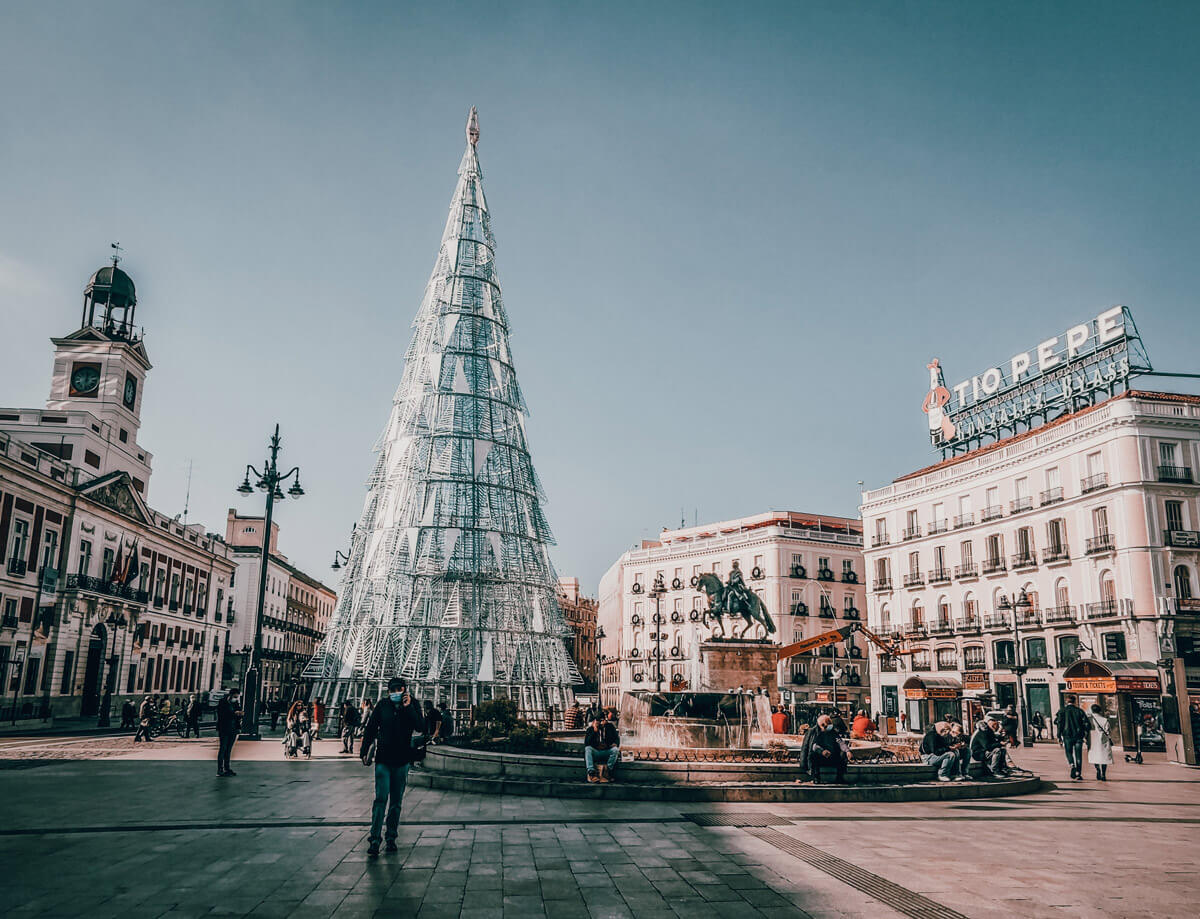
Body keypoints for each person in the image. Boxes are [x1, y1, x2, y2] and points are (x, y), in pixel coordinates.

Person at [360, 676, 424, 857]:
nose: (397, 693)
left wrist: (409, 707)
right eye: (393, 690)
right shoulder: (383, 705)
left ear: (405, 690)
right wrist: (364, 751)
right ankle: (374, 839)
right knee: (380, 799)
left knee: (396, 803)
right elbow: (371, 728)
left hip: (402, 760)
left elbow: (421, 727)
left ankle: (391, 837)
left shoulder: (413, 705)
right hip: (383, 759)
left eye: (400, 689)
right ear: (388, 691)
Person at [1054, 695, 1091, 781]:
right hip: (1078, 736)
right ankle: (1078, 773)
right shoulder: (1079, 711)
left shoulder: (1062, 711)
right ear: (1075, 701)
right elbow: (1087, 724)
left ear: (1066, 701)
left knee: (1068, 752)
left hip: (1067, 735)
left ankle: (1072, 764)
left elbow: (1058, 722)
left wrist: (1059, 735)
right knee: (1078, 754)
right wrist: (1085, 733)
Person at [804, 714, 847, 783]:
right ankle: (816, 777)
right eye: (828, 724)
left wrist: (847, 751)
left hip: (832, 757)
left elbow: (840, 742)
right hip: (821, 757)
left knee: (843, 755)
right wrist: (822, 751)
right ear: (822, 725)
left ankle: (840, 778)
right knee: (813, 756)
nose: (830, 726)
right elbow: (814, 746)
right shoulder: (816, 732)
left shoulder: (833, 732)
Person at [583, 714, 620, 783]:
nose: (601, 723)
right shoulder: (590, 729)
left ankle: (607, 771)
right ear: (595, 721)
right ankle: (591, 773)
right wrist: (594, 731)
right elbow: (587, 743)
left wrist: (615, 743)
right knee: (588, 749)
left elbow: (617, 738)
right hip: (596, 752)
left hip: (606, 751)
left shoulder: (610, 727)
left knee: (615, 750)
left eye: (603, 720)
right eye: (599, 721)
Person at [216, 688, 242, 777]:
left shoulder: (235, 703)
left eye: (237, 697)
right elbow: (222, 714)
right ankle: (220, 769)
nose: (236, 698)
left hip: (233, 729)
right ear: (230, 695)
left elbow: (238, 711)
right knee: (223, 748)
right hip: (224, 728)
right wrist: (234, 714)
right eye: (235, 696)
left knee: (229, 749)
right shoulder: (222, 702)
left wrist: (240, 714)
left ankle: (227, 768)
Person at [1088, 703, 1114, 781]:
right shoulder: (1105, 720)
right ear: (1100, 711)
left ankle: (1097, 770)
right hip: (1104, 740)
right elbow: (1108, 731)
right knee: (1104, 757)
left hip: (1093, 739)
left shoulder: (1090, 719)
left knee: (1094, 756)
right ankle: (1103, 774)